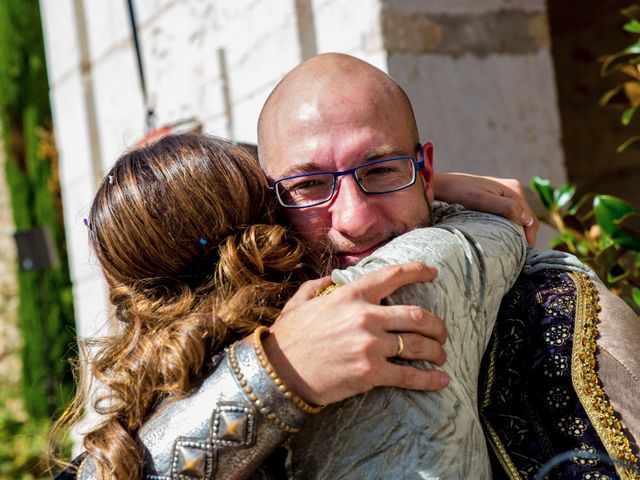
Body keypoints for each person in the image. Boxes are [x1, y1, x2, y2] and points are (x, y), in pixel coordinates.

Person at [58, 131, 527, 480]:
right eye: (303, 193)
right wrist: (276, 372)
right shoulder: (346, 313)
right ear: (272, 230)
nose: (350, 220)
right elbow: (500, 229)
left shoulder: (136, 412)